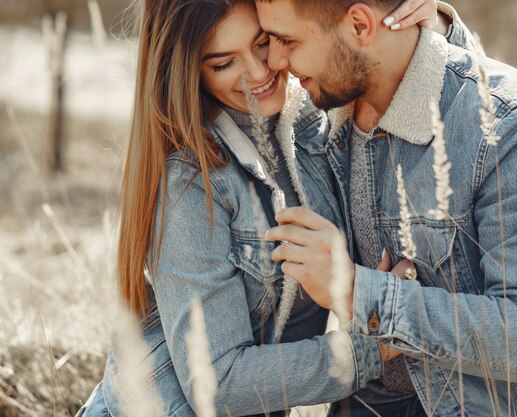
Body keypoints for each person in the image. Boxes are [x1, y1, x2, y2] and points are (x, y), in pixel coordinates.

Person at [77, 1, 474, 416]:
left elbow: (468, 107)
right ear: (188, 71)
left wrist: (437, 30)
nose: (258, 72)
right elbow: (218, 382)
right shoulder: (193, 178)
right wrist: (375, 345)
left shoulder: (319, 121)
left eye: (263, 42)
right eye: (223, 63)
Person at [258, 0, 517, 416]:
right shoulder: (317, 126)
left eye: (287, 40)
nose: (274, 60)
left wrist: (358, 293)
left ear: (360, 25)